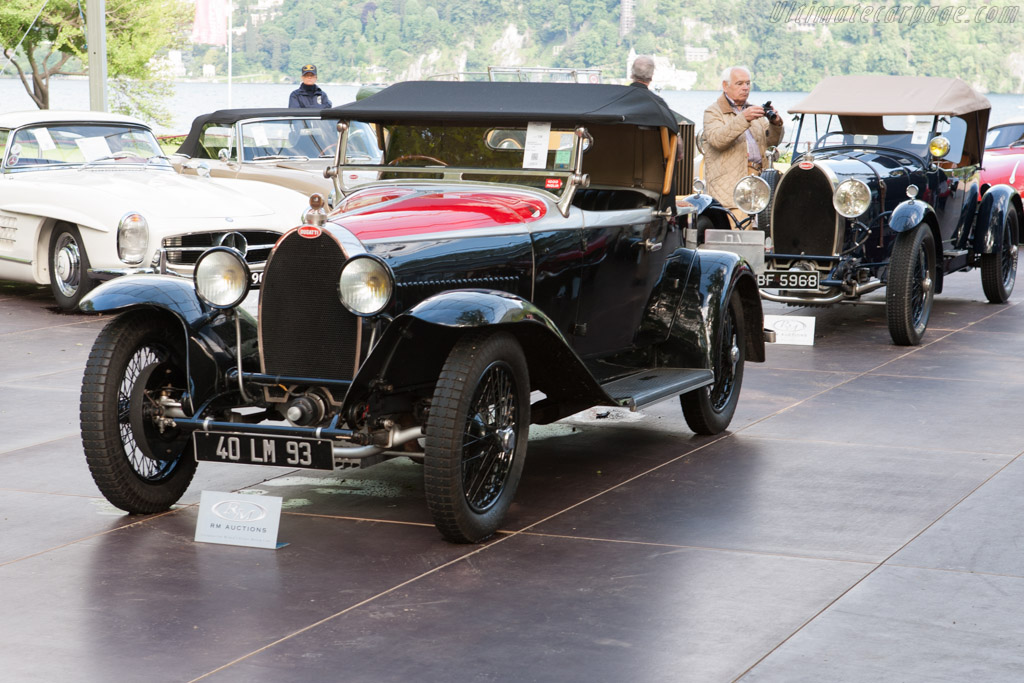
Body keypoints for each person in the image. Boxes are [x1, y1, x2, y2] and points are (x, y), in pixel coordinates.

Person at [702, 66, 784, 224]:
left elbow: (772, 141)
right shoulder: (713, 112)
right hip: (731, 190)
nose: (745, 88)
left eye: (748, 83)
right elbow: (718, 140)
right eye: (739, 83)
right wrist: (744, 119)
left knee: (762, 234)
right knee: (739, 232)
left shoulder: (752, 110)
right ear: (725, 86)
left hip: (759, 186)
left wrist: (776, 123)